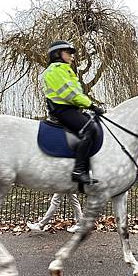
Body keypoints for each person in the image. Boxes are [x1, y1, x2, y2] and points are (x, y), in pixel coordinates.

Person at [42, 40, 105, 185]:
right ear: (57, 54)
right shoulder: (55, 70)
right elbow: (70, 94)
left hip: (70, 109)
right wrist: (91, 105)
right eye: (68, 53)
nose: (72, 56)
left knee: (95, 124)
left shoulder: (65, 69)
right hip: (62, 110)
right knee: (90, 129)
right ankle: (78, 171)